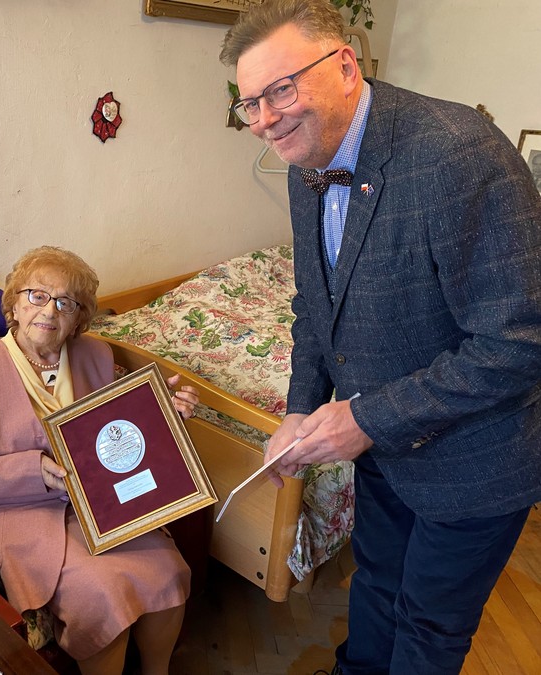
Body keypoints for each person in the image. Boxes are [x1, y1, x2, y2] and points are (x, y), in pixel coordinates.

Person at [219, 1, 541, 674]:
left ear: (344, 65)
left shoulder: (460, 153)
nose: (266, 119)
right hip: (384, 448)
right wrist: (301, 408)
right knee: (374, 585)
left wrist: (366, 418)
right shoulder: (305, 161)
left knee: (428, 625)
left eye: (281, 89)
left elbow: (520, 342)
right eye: (250, 103)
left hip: (476, 460)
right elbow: (316, 306)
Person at [0, 246, 198, 675]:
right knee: (102, 591)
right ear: (14, 304)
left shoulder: (96, 356)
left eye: (66, 302)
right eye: (37, 295)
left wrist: (166, 413)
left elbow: (115, 433)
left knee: (169, 569)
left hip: (98, 506)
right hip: (13, 511)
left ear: (78, 317)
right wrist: (30, 470)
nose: (49, 310)